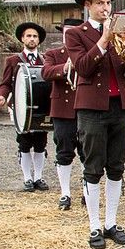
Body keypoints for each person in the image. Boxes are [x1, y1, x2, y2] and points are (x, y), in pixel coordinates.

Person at [66, 0, 125, 249]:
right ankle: (94, 225)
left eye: (108, 3)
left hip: (120, 107)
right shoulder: (76, 34)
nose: (105, 8)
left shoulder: (118, 34)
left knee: (117, 167)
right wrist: (104, 41)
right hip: (92, 109)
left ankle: (111, 223)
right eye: (99, 3)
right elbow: (83, 68)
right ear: (88, 5)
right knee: (93, 168)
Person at [0, 21, 50, 192]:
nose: (32, 39)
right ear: (22, 39)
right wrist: (2, 96)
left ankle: (38, 177)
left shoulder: (46, 60)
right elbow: (5, 84)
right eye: (29, 36)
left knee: (41, 143)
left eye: (35, 36)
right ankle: (27, 178)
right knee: (24, 144)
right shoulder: (13, 60)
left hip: (42, 108)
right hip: (20, 108)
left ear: (39, 40)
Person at [41, 18, 85, 210]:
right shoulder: (53, 54)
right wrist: (66, 67)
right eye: (67, 32)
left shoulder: (87, 54)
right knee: (64, 152)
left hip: (84, 107)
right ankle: (65, 193)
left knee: (87, 152)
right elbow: (46, 73)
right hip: (62, 110)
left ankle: (87, 191)